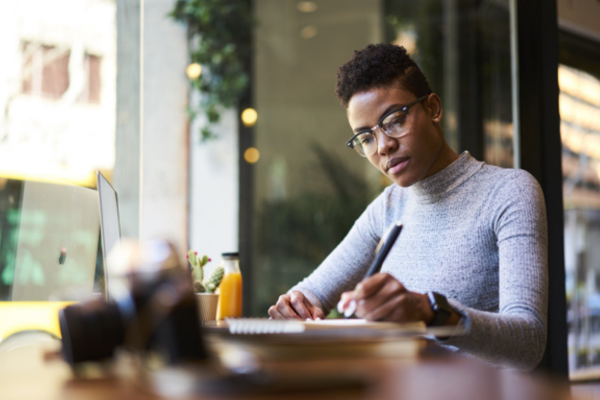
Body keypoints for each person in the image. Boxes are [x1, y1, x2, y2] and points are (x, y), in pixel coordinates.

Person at [267, 43, 548, 371]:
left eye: (394, 120)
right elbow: (312, 293)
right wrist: (295, 305)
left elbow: (529, 340)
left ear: (432, 109)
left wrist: (430, 312)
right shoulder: (387, 208)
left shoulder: (508, 192)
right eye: (366, 138)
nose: (383, 146)